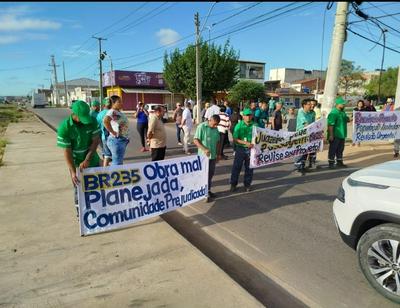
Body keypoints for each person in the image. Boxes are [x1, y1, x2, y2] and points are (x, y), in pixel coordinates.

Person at [57, 100, 101, 217]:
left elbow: (95, 141)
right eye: (82, 118)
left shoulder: (92, 121)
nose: (85, 121)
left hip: (92, 161)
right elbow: (67, 152)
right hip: (76, 164)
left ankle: (98, 212)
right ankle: (81, 216)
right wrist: (73, 171)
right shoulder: (64, 127)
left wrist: (87, 159)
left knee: (96, 188)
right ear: (74, 114)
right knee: (79, 190)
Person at [193, 114, 221, 202]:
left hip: (212, 156)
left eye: (217, 124)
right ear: (210, 120)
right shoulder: (202, 127)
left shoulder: (216, 129)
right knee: (203, 175)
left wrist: (218, 154)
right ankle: (203, 193)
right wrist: (204, 149)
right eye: (214, 124)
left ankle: (207, 191)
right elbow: (196, 140)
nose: (215, 126)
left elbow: (218, 142)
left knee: (210, 174)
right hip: (203, 157)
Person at [229, 108, 255, 192]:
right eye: (246, 115)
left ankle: (247, 184)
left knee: (249, 168)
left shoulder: (255, 125)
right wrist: (245, 143)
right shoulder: (238, 126)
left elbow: (261, 135)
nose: (248, 117)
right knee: (236, 167)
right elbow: (235, 139)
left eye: (250, 115)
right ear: (243, 116)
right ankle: (233, 184)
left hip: (251, 150)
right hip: (240, 149)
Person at [103, 95, 130, 166]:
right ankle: (115, 176)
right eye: (119, 102)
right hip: (117, 141)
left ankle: (115, 175)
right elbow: (105, 121)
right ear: (113, 103)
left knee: (118, 161)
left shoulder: (117, 112)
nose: (121, 103)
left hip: (120, 140)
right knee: (117, 163)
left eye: (121, 101)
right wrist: (113, 132)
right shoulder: (112, 111)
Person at [327, 97, 351, 169]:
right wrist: (331, 135)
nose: (344, 105)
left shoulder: (342, 112)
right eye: (342, 104)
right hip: (335, 135)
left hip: (342, 134)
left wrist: (352, 118)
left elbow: (347, 119)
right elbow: (330, 125)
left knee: (340, 149)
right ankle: (331, 163)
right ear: (337, 104)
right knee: (333, 149)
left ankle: (339, 162)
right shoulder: (333, 113)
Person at [294, 99, 315, 174]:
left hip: (308, 134)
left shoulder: (311, 113)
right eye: (309, 104)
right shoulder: (301, 112)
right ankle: (298, 167)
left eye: (312, 104)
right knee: (300, 151)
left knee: (306, 151)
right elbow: (305, 123)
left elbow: (313, 122)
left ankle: (303, 166)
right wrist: (311, 127)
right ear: (304, 105)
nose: (311, 106)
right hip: (301, 134)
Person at [96, 97, 113, 166]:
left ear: (103, 105)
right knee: (114, 156)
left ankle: (105, 170)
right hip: (113, 137)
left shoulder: (99, 114)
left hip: (103, 137)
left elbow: (97, 126)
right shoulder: (113, 112)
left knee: (106, 155)